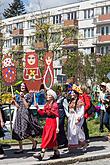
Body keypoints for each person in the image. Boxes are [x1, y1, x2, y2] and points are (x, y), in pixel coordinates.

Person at [33, 89, 60, 161]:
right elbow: (43, 113)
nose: (47, 96)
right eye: (47, 95)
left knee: (48, 138)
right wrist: (37, 108)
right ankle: (56, 153)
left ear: (52, 97)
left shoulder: (55, 105)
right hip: (48, 122)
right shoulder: (47, 104)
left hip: (53, 122)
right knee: (52, 139)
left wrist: (57, 127)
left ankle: (42, 154)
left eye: (48, 95)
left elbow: (57, 116)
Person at [11, 82, 37, 153]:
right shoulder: (18, 95)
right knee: (18, 131)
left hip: (25, 114)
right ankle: (21, 148)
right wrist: (14, 101)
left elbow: (27, 106)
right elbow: (18, 106)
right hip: (19, 113)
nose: (22, 87)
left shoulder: (29, 95)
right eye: (21, 86)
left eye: (24, 86)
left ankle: (34, 142)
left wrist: (22, 98)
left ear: (26, 87)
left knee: (25, 131)